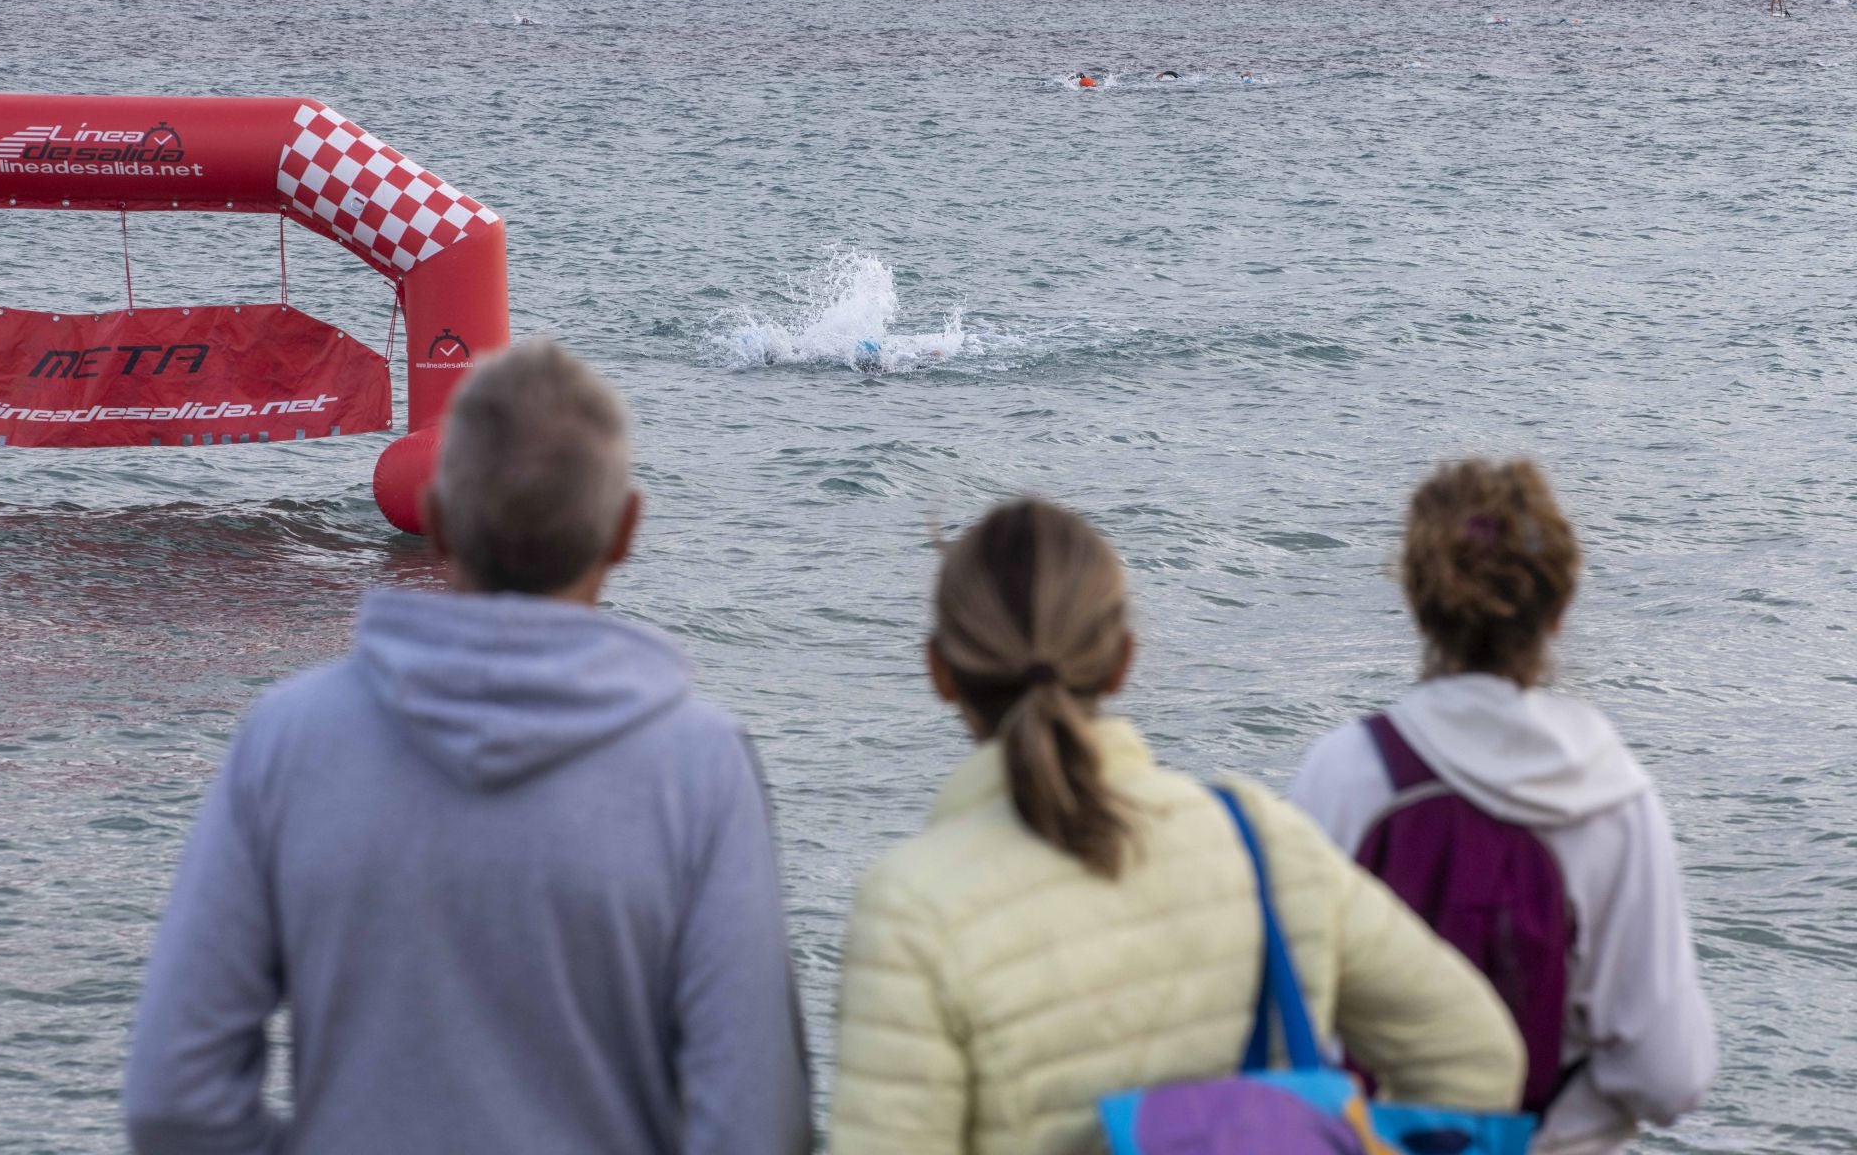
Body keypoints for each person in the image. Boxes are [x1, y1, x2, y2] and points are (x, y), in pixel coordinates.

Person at [123, 340, 813, 1155]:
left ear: (437, 517)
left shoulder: (287, 741)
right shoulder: (701, 769)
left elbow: (174, 1098)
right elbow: (758, 1121)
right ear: (625, 528)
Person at [828, 498, 1525, 1155]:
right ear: (1125, 659)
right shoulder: (1262, 840)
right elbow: (1478, 1055)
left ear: (939, 671)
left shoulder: (914, 910)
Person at [1290, 459, 1716, 1155]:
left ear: (1416, 599)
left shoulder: (1343, 773)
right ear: (1559, 608)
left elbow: (1293, 1029)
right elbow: (1669, 1078)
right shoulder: (1612, 798)